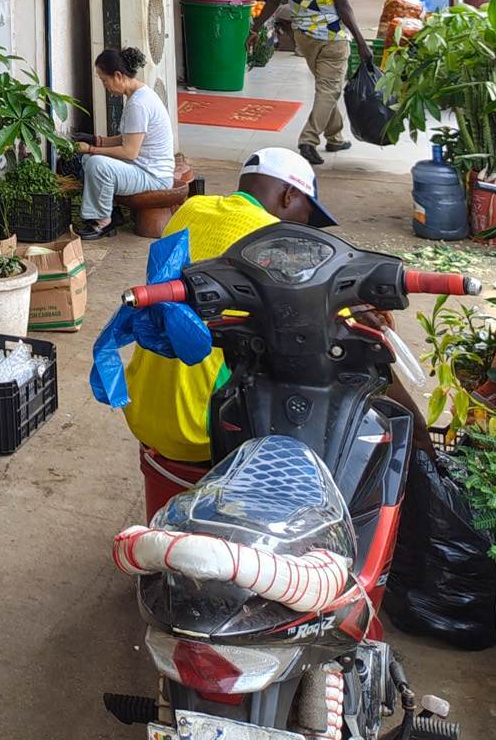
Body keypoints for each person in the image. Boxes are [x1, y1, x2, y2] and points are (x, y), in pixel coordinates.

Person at [114, 147, 334, 511]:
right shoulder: (273, 240)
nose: (303, 228)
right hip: (201, 427)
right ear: (288, 195)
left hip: (142, 406)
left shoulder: (190, 209)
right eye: (306, 215)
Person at [255, 0, 375, 166]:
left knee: (325, 88)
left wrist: (255, 26)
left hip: (304, 38)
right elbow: (343, 6)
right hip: (332, 35)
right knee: (329, 88)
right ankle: (308, 140)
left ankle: (335, 136)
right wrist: (362, 42)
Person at [77, 45, 175, 238]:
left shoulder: (138, 104)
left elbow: (129, 152)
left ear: (119, 76)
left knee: (96, 163)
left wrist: (92, 148)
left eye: (105, 81)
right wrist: (97, 140)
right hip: (145, 168)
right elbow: (128, 138)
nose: (105, 86)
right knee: (89, 161)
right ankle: (112, 212)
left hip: (154, 176)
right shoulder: (139, 95)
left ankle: (102, 221)